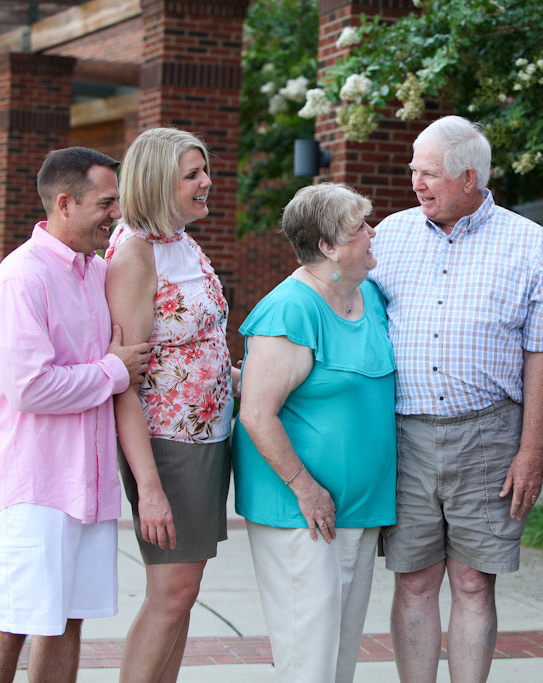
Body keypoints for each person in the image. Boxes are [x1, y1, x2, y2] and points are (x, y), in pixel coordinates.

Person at [368, 115, 543, 682]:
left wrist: (532, 450)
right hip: (405, 434)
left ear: (466, 177)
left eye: (427, 172)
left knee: (474, 580)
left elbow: (541, 356)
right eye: (413, 170)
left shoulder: (529, 243)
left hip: (489, 435)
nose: (416, 182)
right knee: (413, 578)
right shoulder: (389, 236)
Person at [0, 147, 149, 682]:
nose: (115, 213)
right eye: (106, 202)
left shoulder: (96, 273)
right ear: (65, 203)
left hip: (85, 489)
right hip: (32, 489)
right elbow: (30, 387)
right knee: (9, 623)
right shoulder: (21, 278)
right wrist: (114, 372)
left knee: (67, 622)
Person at [232, 183, 396, 682]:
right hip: (301, 510)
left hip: (358, 508)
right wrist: (306, 488)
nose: (373, 232)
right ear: (327, 247)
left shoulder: (368, 294)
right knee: (309, 656)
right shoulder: (290, 310)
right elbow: (257, 414)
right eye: (359, 227)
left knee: (339, 656)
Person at [104, 128, 235, 683]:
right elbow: (124, 382)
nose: (206, 182)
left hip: (206, 440)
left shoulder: (181, 241)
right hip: (168, 445)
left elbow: (199, 344)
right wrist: (150, 487)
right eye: (192, 174)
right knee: (171, 594)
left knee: (183, 596)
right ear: (159, 181)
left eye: (204, 170)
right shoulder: (134, 254)